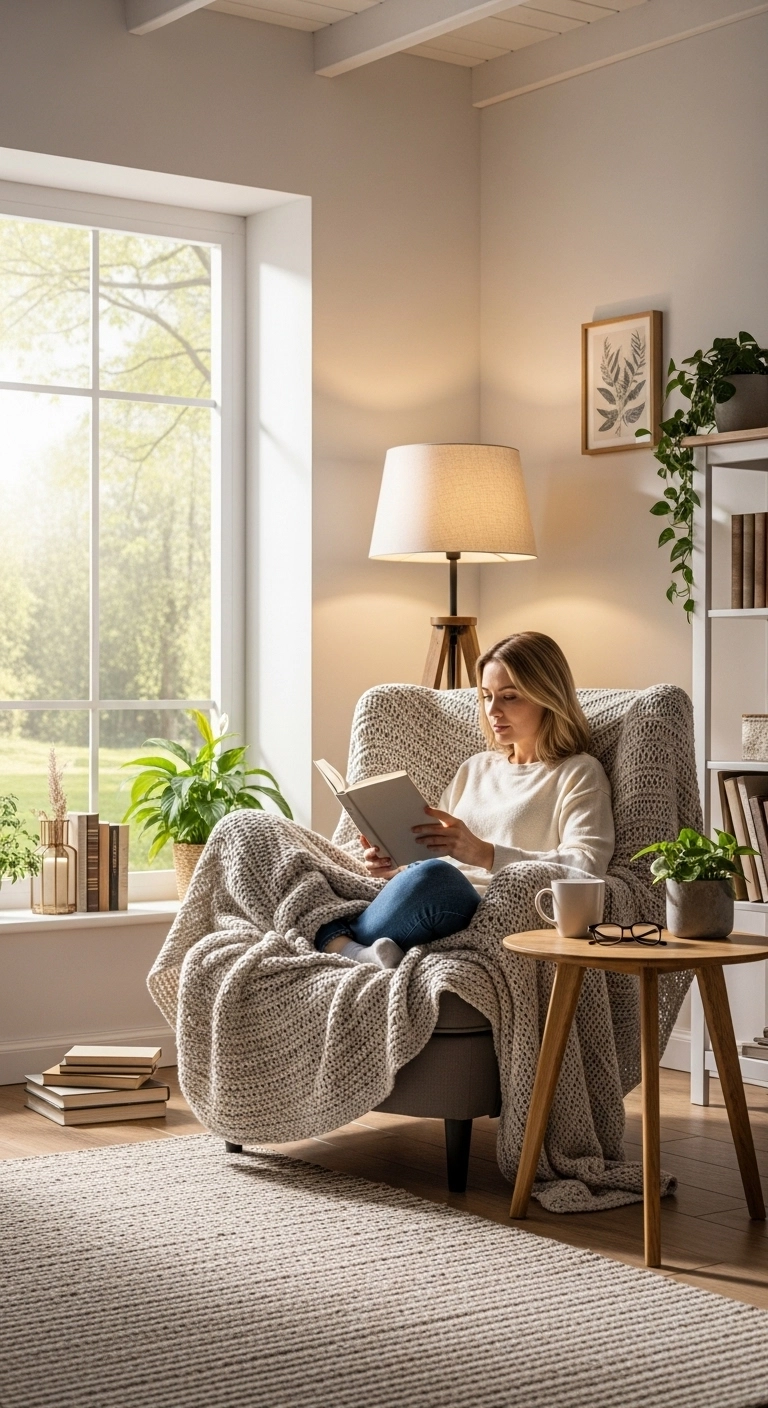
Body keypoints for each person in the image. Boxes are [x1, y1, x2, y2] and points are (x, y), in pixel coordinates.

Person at [315, 631, 615, 969]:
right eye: (486, 696)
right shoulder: (476, 768)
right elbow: (428, 854)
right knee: (266, 837)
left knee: (436, 878)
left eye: (510, 697)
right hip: (423, 896)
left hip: (480, 907)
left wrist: (486, 854)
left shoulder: (579, 773)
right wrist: (393, 867)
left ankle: (330, 938)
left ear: (548, 696)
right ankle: (356, 950)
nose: (493, 710)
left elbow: (587, 867)